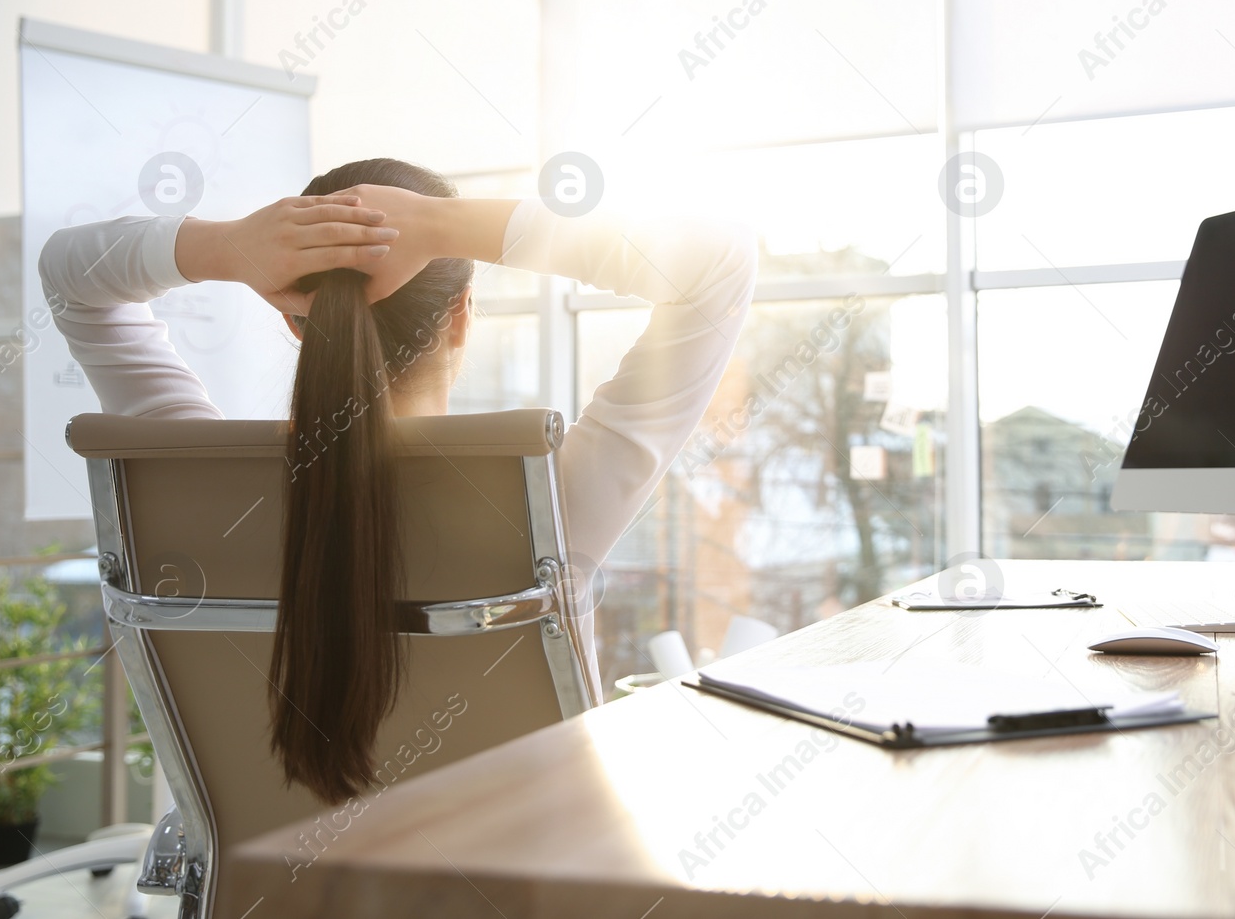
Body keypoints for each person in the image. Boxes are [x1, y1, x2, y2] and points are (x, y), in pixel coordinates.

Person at [39, 158, 756, 803]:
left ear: (294, 323)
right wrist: (447, 226)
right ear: (461, 319)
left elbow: (69, 272)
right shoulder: (552, 513)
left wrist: (228, 246)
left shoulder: (195, 488)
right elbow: (718, 262)